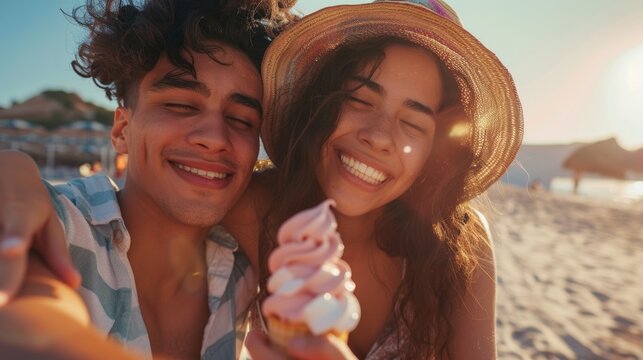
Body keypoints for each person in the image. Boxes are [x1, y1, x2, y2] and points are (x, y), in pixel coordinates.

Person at [1, 0, 522, 358]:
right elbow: (32, 309)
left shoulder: (453, 243)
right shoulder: (253, 211)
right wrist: (15, 170)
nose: (212, 137)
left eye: (243, 120)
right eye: (357, 99)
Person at [226, 0, 522, 358]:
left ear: (434, 153)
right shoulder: (251, 210)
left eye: (413, 123)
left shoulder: (461, 245)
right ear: (318, 102)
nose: (379, 136)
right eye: (359, 100)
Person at [0, 0, 293, 358]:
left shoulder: (246, 267)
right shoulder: (65, 228)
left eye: (243, 120)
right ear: (122, 129)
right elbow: (29, 318)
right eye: (181, 106)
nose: (215, 138)